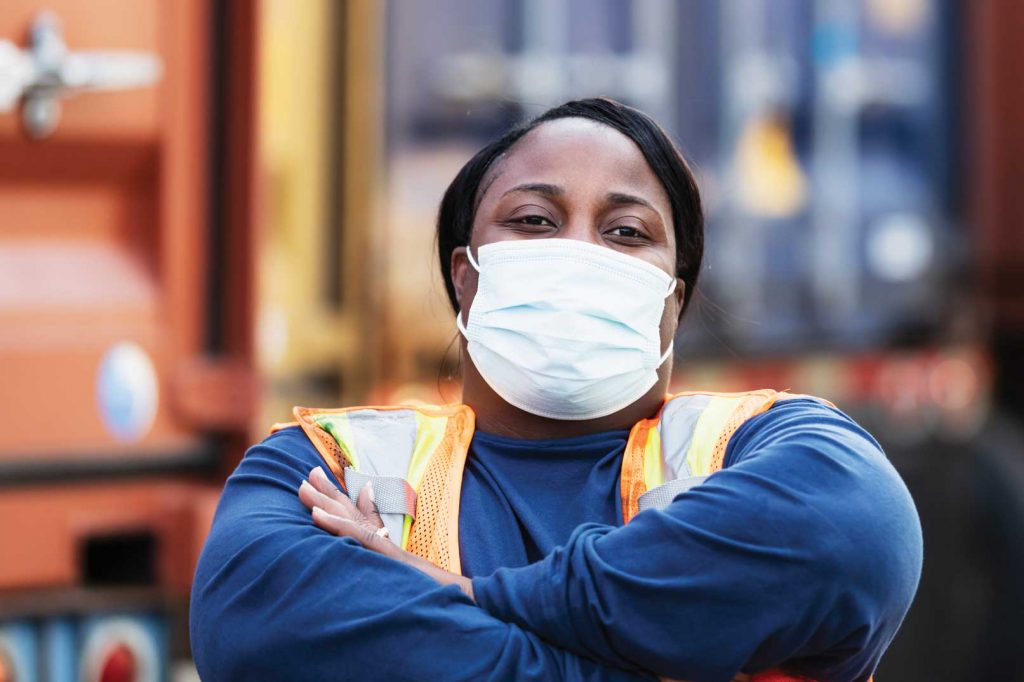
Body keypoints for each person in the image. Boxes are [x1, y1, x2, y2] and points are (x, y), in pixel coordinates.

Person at [190, 98, 922, 682]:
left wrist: (471, 596)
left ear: (675, 299)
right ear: (464, 275)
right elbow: (258, 632)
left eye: (627, 232)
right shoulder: (319, 465)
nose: (576, 252)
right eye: (534, 220)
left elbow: (862, 535)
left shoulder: (766, 446)